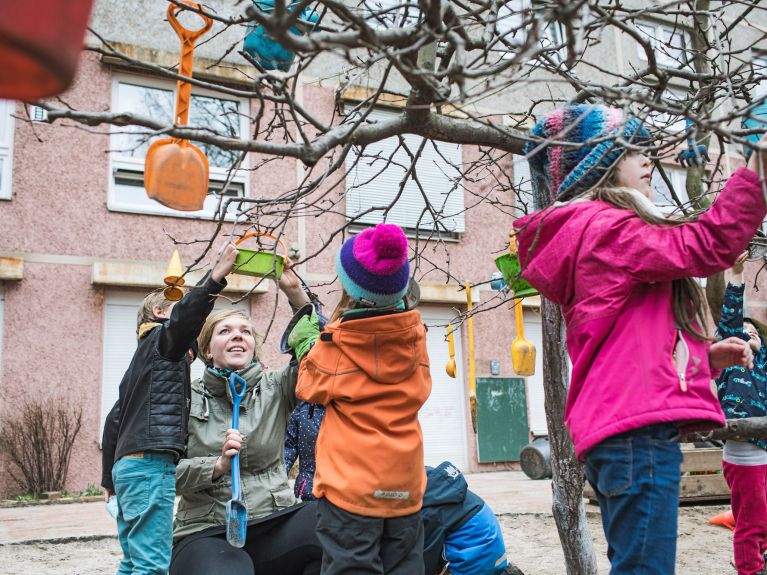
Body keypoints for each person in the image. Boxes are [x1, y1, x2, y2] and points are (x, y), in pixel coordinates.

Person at [513, 103, 766, 574]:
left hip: (616, 431)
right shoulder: (609, 229)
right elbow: (707, 243)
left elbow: (624, 343)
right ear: (602, 165)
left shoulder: (592, 234)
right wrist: (754, 170)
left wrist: (705, 360)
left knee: (634, 564)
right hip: (636, 435)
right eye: (633, 152)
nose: (648, 161)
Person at [168, 262, 326, 575]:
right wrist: (215, 466)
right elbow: (164, 475)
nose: (237, 337)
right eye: (225, 331)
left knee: (333, 530)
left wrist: (296, 293)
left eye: (245, 332)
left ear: (254, 347)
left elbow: (318, 356)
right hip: (206, 529)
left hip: (273, 519)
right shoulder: (185, 396)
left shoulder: (277, 386)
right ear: (207, 350)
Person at [296, 222, 432, 575]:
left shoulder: (337, 344)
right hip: (404, 485)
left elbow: (307, 387)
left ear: (350, 289)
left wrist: (307, 343)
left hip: (351, 490)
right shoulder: (415, 338)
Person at [101, 243, 238, 575]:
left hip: (129, 471)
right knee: (151, 566)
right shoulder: (163, 342)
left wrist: (110, 479)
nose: (194, 331)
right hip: (150, 469)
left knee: (133, 561)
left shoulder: (143, 364)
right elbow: (185, 319)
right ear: (164, 314)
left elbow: (114, 419)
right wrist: (216, 277)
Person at [716, 251, 767, 575]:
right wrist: (736, 275)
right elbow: (732, 321)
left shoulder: (765, 366)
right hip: (745, 455)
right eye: (744, 331)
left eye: (756, 331)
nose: (750, 333)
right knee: (752, 524)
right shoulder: (733, 362)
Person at [422, 461, 523, 575]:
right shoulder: (443, 489)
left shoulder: (431, 510)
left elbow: (426, 557)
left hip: (476, 565)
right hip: (494, 558)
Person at [284, 400, 326, 501]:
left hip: (340, 491)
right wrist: (277, 478)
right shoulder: (303, 407)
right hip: (308, 490)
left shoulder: (346, 407)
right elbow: (288, 447)